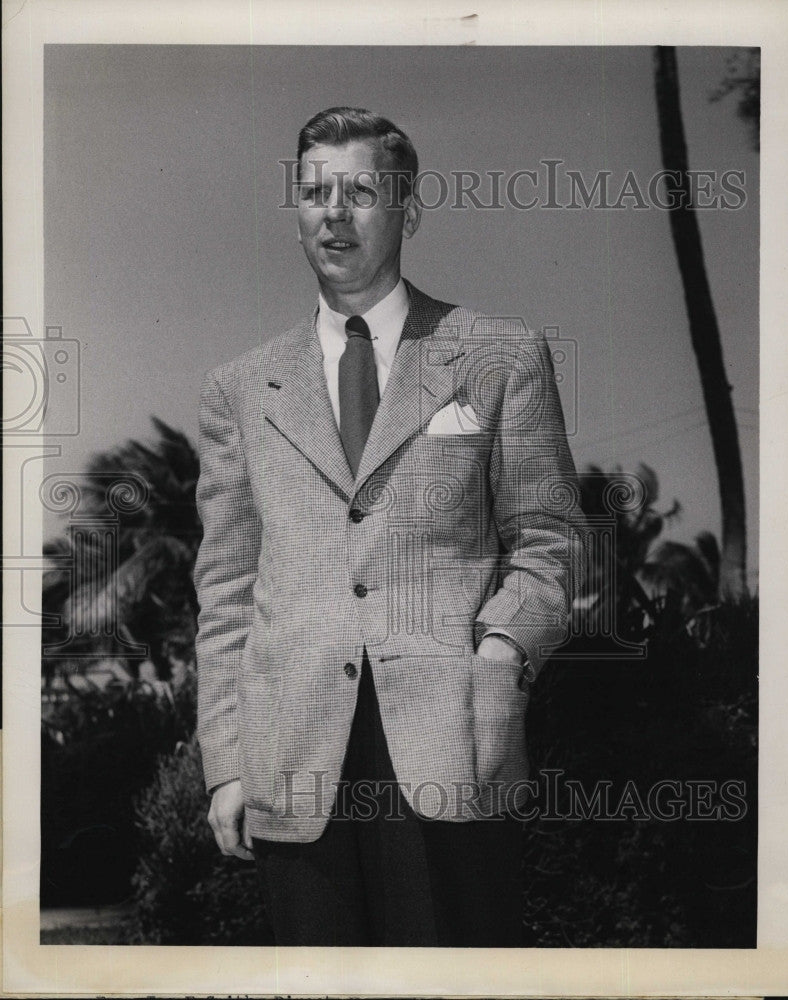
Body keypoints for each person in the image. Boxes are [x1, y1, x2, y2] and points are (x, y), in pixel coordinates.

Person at [193, 106, 584, 947]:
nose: (334, 212)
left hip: (453, 741)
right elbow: (225, 592)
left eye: (360, 190)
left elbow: (548, 541)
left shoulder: (500, 354)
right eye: (313, 191)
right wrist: (225, 764)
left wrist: (499, 656)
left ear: (407, 208)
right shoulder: (237, 389)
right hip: (292, 758)